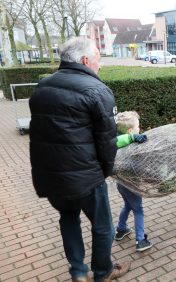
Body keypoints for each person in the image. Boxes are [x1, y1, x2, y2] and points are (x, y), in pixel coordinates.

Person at [29, 37, 130, 282]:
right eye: (98, 59)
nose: (100, 65)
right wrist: (104, 172)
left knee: (68, 217)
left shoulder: (42, 87)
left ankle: (78, 271)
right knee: (102, 225)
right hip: (86, 176)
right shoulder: (97, 90)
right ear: (85, 61)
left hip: (51, 176)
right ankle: (103, 271)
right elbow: (107, 141)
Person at [114, 111, 153, 252]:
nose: (139, 128)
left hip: (122, 185)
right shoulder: (129, 145)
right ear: (130, 131)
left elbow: (117, 139)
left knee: (128, 205)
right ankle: (140, 240)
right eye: (138, 126)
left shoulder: (118, 142)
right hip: (132, 185)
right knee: (138, 210)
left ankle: (121, 229)